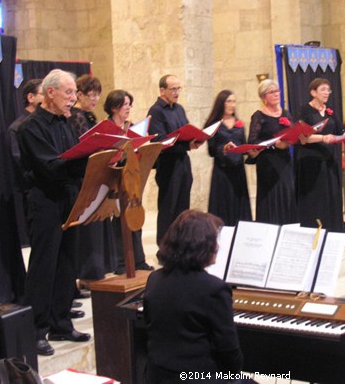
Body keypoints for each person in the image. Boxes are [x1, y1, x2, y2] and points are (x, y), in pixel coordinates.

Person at [17, 69, 90, 356]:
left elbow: (72, 160)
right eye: (69, 92)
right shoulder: (30, 127)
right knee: (44, 266)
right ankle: (37, 330)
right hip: (46, 201)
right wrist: (81, 159)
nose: (74, 98)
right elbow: (50, 167)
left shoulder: (67, 124)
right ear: (51, 93)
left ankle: (61, 323)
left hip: (70, 197)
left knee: (67, 262)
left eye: (74, 93)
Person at [143, 209, 243, 382]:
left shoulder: (154, 278)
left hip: (158, 375)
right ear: (200, 245)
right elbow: (229, 351)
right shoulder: (214, 288)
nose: (217, 247)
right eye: (213, 241)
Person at [68, 75, 117, 290]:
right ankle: (88, 274)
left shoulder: (88, 115)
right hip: (84, 177)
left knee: (95, 223)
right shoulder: (76, 117)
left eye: (98, 94)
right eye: (91, 95)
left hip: (95, 175)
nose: (95, 99)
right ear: (80, 95)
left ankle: (95, 272)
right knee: (87, 227)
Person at [148, 74, 203, 245]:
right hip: (167, 166)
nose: (177, 92)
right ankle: (164, 247)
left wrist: (194, 140)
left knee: (182, 208)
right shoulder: (156, 111)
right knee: (168, 208)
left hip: (183, 163)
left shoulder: (179, 109)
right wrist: (186, 145)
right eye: (173, 89)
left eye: (179, 88)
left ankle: (180, 246)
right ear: (162, 90)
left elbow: (186, 131)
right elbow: (159, 141)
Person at [104, 89, 153, 273]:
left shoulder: (130, 126)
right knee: (119, 219)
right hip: (114, 178)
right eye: (125, 104)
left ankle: (138, 260)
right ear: (115, 107)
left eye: (129, 104)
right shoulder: (107, 127)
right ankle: (122, 263)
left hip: (132, 176)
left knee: (135, 214)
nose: (129, 108)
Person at [297, 78, 345, 232]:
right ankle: (316, 229)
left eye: (328, 89)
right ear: (313, 92)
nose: (327, 92)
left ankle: (332, 228)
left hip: (330, 159)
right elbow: (302, 138)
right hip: (311, 161)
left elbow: (340, 131)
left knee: (331, 194)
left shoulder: (330, 111)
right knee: (317, 196)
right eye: (323, 89)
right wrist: (322, 138)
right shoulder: (305, 111)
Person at [247, 79, 297, 225]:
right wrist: (274, 144)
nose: (276, 94)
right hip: (268, 163)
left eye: (277, 91)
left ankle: (287, 228)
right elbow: (253, 141)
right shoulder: (259, 116)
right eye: (272, 92)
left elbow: (293, 132)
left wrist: (292, 139)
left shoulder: (285, 113)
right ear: (264, 97)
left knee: (286, 194)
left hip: (285, 161)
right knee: (271, 196)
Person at [204, 90, 252, 226]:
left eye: (234, 101)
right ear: (221, 104)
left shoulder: (239, 124)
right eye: (229, 101)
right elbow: (211, 150)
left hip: (238, 170)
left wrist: (250, 150)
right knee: (223, 203)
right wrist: (223, 149)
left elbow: (243, 143)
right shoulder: (213, 124)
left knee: (239, 203)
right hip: (222, 172)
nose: (232, 105)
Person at [7, 79, 43, 248]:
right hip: (34, 191)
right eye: (44, 94)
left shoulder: (48, 123)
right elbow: (19, 160)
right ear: (31, 97)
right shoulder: (18, 127)